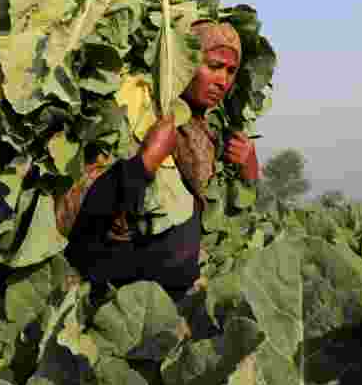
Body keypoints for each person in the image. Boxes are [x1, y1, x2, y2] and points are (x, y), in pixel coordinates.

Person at [62, 20, 260, 302]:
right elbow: (80, 219)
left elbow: (228, 223)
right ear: (182, 61)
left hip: (173, 307)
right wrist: (143, 164)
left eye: (230, 71)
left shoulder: (207, 136)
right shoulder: (132, 111)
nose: (223, 81)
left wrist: (250, 171)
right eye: (213, 66)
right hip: (114, 304)